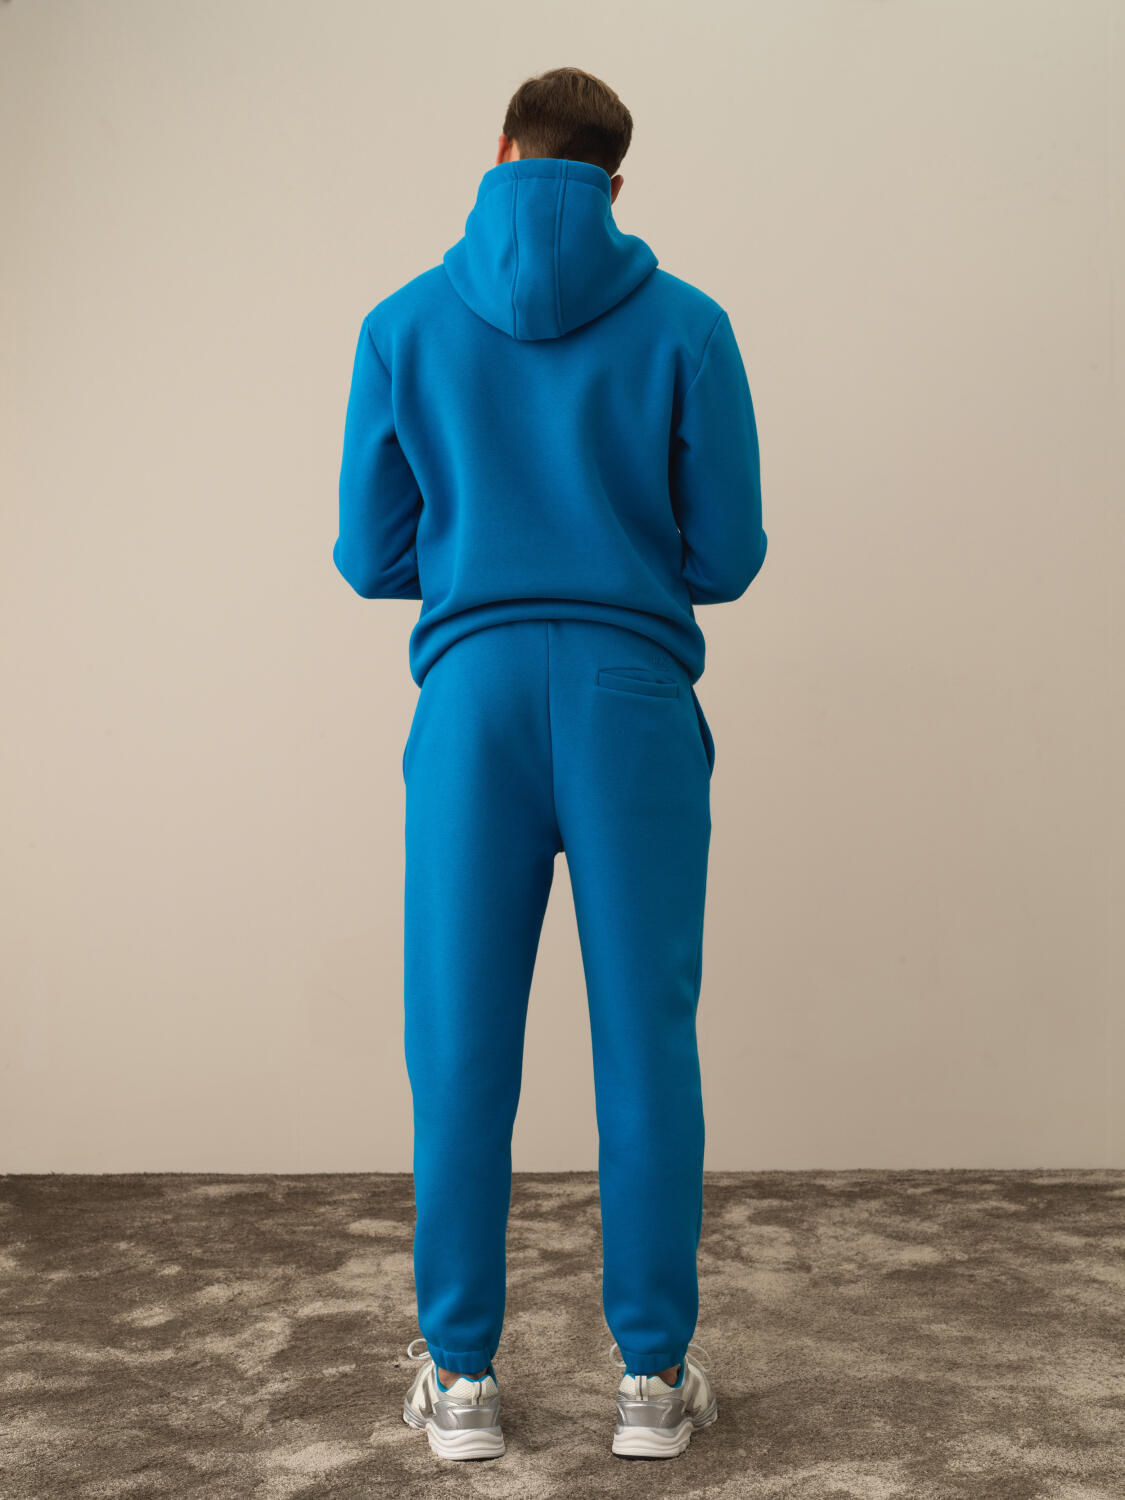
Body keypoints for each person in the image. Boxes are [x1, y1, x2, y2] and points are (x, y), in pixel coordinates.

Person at [334, 66, 767, 1462]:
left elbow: (367, 557)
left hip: (473, 703)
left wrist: (482, 552)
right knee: (646, 1035)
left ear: (501, 151)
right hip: (630, 696)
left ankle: (462, 1382)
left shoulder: (401, 323)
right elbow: (728, 556)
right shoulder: (689, 324)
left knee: (459, 1041)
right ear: (615, 184)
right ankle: (652, 1382)